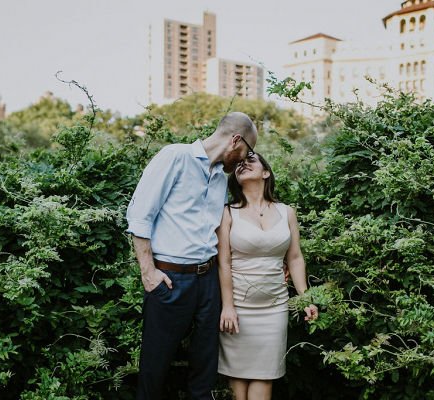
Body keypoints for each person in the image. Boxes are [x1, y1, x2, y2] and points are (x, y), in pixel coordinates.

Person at [126, 112, 258, 400]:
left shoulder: (220, 181)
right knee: (154, 367)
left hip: (208, 280)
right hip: (170, 279)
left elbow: (226, 233)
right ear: (235, 140)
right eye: (247, 152)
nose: (245, 160)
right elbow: (139, 216)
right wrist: (148, 272)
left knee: (205, 369)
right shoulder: (174, 157)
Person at [216, 153, 319, 400]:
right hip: (238, 308)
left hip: (274, 309)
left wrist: (306, 299)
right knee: (237, 378)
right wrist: (228, 307)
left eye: (250, 159)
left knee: (265, 376)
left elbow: (295, 258)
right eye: (239, 163)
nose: (243, 163)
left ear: (266, 173)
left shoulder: (287, 212)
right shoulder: (227, 213)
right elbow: (223, 262)